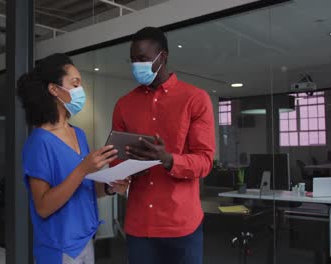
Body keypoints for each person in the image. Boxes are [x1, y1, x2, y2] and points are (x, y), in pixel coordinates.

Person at [112, 27, 216, 264]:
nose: (136, 65)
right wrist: (126, 166)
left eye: (143, 59)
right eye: (133, 60)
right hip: (139, 226)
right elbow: (116, 159)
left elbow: (205, 161)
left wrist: (168, 159)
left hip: (182, 225)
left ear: (163, 57)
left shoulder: (195, 99)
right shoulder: (123, 105)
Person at [18, 53, 130, 264]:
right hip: (59, 247)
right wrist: (82, 169)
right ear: (54, 89)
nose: (80, 90)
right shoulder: (38, 143)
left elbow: (83, 189)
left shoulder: (78, 134)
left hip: (86, 240)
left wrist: (109, 187)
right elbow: (43, 206)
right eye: (75, 83)